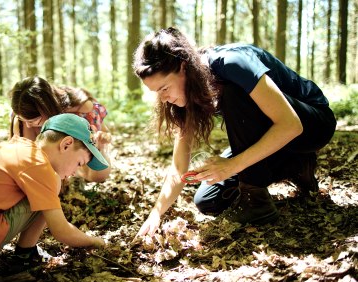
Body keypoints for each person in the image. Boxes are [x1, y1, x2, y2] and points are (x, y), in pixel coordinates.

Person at [132, 27, 336, 237]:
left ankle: (257, 202)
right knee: (208, 200)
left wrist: (232, 165)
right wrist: (156, 213)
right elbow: (178, 166)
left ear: (183, 67)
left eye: (164, 88)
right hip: (280, 136)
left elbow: (291, 124)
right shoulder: (186, 94)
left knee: (234, 93)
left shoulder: (231, 64)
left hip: (314, 124)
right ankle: (295, 164)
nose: (163, 98)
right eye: (157, 93)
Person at [0, 114, 109, 279]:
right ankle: (24, 256)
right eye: (79, 163)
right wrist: (96, 242)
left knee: (44, 193)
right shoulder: (40, 166)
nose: (73, 173)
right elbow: (62, 231)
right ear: (66, 144)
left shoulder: (17, 147)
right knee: (50, 190)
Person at [10, 76, 112, 183]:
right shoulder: (22, 119)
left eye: (33, 121)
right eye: (24, 119)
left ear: (47, 109)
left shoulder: (82, 111)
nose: (29, 125)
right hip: (51, 151)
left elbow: (103, 136)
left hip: (76, 154)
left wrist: (101, 141)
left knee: (95, 173)